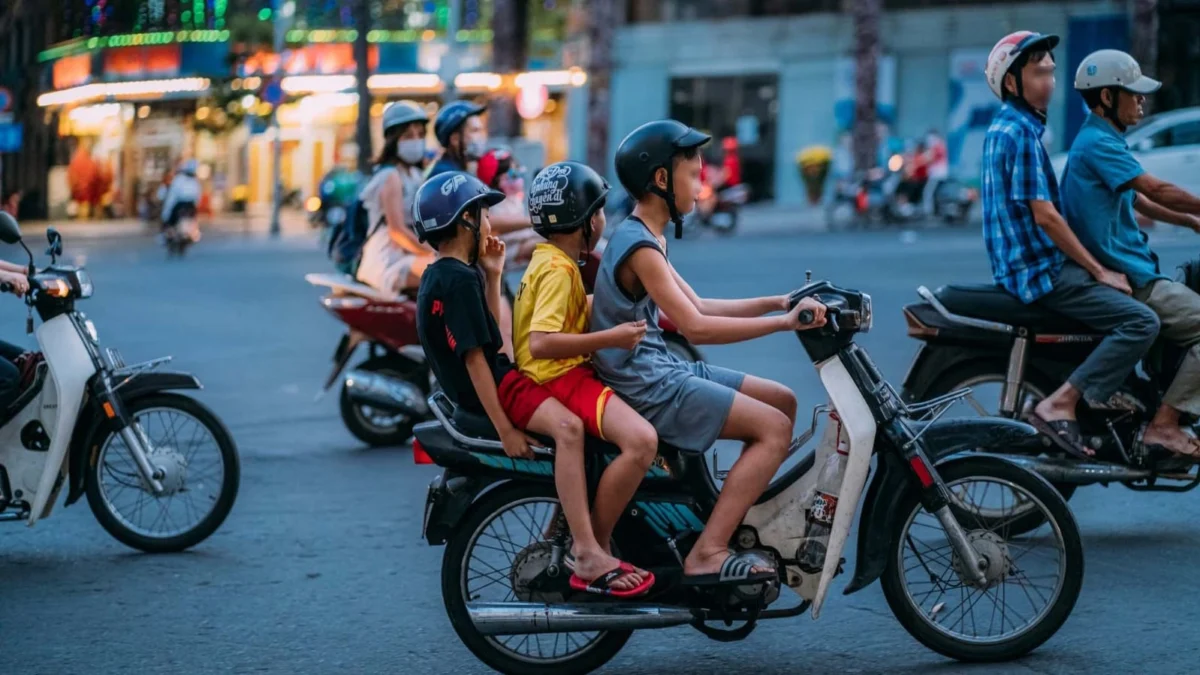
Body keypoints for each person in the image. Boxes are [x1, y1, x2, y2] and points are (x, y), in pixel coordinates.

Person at [590, 119, 827, 585]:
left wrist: (779, 302)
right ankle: (709, 550)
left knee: (783, 400)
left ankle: (732, 511)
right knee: (774, 429)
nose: (701, 184)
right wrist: (783, 325)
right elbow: (697, 325)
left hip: (659, 367)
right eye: (693, 173)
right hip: (648, 385)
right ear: (661, 180)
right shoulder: (640, 246)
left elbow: (697, 304)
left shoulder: (644, 235)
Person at [413, 170, 646, 595]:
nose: (489, 222)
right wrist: (505, 429)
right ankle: (588, 550)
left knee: (575, 430)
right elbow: (476, 360)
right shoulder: (458, 281)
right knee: (570, 429)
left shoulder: (443, 277)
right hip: (500, 388)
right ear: (465, 220)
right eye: (482, 213)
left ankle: (568, 529)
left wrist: (493, 272)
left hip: (493, 383)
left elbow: (489, 337)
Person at [981, 31, 1159, 458]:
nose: (1049, 82)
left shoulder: (1006, 127)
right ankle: (1063, 401)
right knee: (1142, 322)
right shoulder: (1022, 133)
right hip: (1041, 271)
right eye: (1038, 73)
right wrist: (1099, 271)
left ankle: (1106, 394)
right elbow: (1045, 216)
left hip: (1025, 264)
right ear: (1011, 83)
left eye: (1051, 73)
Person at [512, 161, 660, 596]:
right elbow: (542, 342)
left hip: (555, 374)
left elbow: (571, 309)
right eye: (598, 212)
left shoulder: (549, 259)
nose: (603, 221)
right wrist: (612, 335)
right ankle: (590, 549)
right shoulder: (559, 271)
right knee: (642, 441)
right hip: (557, 377)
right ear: (584, 221)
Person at [1065, 49, 1200, 458]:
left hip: (1132, 267)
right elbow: (1155, 188)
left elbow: (1138, 200)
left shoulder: (1103, 140)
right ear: (1107, 97)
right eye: (1133, 93)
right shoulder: (1097, 144)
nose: (1141, 101)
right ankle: (1165, 425)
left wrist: (1191, 222)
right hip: (1127, 276)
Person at [426, 100, 533, 355]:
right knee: (501, 340)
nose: (480, 137)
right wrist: (534, 221)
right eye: (473, 131)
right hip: (464, 270)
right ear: (454, 139)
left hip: (475, 265)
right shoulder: (448, 177)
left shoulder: (462, 171)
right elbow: (484, 221)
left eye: (481, 130)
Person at [356, 101, 437, 294]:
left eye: (420, 134)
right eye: (408, 136)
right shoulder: (390, 176)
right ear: (393, 140)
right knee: (447, 271)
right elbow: (397, 231)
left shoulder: (414, 174)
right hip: (389, 258)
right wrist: (434, 252)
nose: (416, 140)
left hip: (408, 253)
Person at [477, 148, 540, 267]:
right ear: (496, 181)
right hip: (505, 251)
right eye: (513, 174)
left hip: (519, 245)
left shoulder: (514, 199)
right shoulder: (492, 204)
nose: (519, 177)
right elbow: (494, 225)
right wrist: (535, 221)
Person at [160, 160, 202, 237]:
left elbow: (172, 196)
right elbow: (198, 197)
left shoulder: (179, 179)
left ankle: (169, 232)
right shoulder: (194, 181)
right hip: (189, 206)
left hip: (181, 205)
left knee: (168, 216)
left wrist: (166, 213)